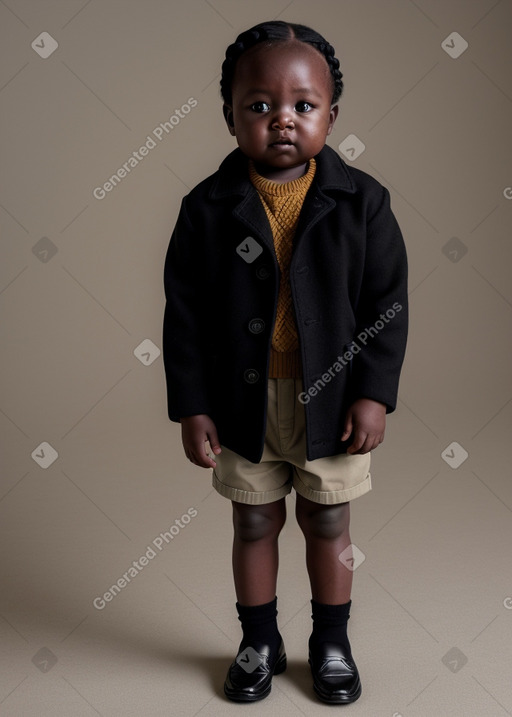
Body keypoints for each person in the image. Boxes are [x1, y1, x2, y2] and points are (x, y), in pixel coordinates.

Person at [162, 20, 408, 704]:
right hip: (245, 400)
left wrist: (373, 393)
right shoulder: (206, 211)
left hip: (332, 399)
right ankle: (257, 638)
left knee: (328, 519)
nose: (281, 121)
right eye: (259, 105)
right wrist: (193, 404)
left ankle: (331, 639)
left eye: (303, 105)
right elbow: (182, 315)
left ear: (332, 114)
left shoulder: (365, 204)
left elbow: (388, 304)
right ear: (230, 114)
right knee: (254, 519)